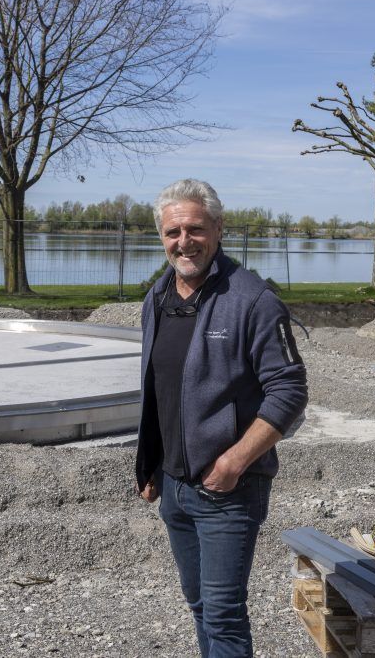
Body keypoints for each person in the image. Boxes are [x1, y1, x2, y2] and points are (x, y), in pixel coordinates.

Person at [135, 179, 308, 657]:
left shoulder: (253, 299)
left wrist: (234, 461)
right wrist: (149, 461)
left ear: (218, 228)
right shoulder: (158, 298)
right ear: (162, 236)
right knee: (199, 606)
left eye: (195, 228)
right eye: (173, 232)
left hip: (229, 488)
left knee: (225, 613)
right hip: (173, 485)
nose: (183, 241)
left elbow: (290, 389)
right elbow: (159, 389)